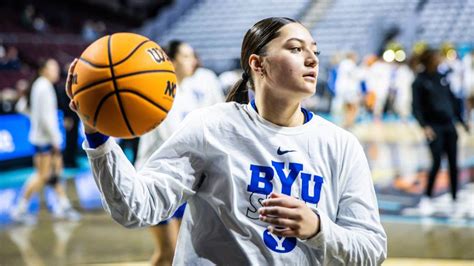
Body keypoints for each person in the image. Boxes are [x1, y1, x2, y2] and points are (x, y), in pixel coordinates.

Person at [66, 17, 386, 264]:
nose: (312, 59)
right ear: (258, 64)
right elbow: (136, 208)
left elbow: (371, 251)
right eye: (295, 48)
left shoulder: (341, 146)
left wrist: (318, 228)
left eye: (314, 50)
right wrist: (97, 135)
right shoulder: (212, 127)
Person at [135, 40, 223, 266]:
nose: (193, 60)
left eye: (192, 55)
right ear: (171, 61)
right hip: (155, 183)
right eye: (185, 56)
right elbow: (176, 139)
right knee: (169, 251)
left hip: (181, 182)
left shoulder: (186, 91)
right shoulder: (160, 94)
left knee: (177, 254)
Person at [11, 58, 81, 225]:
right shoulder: (44, 87)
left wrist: (34, 119)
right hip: (45, 139)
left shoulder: (39, 84)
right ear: (44, 70)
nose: (56, 70)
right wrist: (56, 139)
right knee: (42, 176)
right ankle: (19, 208)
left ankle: (63, 206)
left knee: (56, 173)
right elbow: (46, 117)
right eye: (53, 67)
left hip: (42, 137)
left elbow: (22, 107)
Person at [412, 49, 469, 216]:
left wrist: (462, 122)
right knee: (436, 162)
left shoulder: (442, 78)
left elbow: (452, 100)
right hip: (434, 127)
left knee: (454, 163)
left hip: (449, 126)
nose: (439, 60)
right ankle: (427, 197)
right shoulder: (419, 81)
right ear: (429, 59)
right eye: (436, 57)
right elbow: (416, 107)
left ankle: (454, 196)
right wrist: (424, 126)